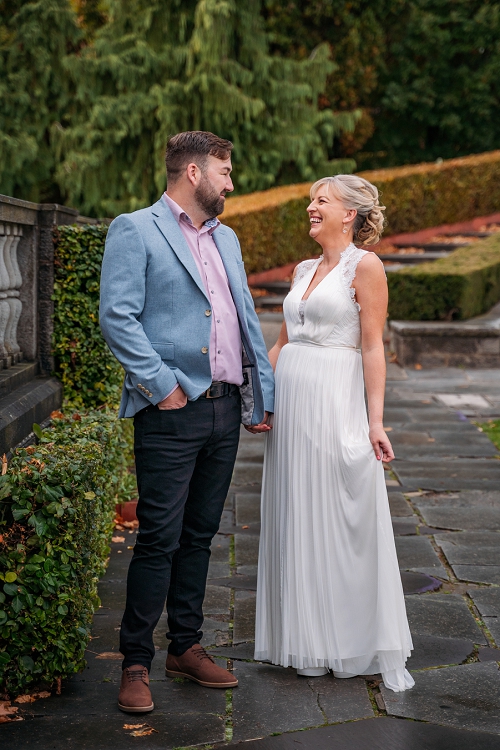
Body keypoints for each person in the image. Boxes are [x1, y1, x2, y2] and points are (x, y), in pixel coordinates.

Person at [100, 131, 274, 713]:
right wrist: (163, 385)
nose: (231, 181)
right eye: (224, 171)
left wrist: (258, 397)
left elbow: (244, 317)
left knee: (201, 536)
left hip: (226, 408)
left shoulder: (227, 238)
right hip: (171, 412)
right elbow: (117, 317)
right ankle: (134, 663)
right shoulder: (136, 228)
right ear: (194, 173)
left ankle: (186, 647)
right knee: (158, 540)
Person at [254, 174, 414, 692]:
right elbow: (281, 343)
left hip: (333, 403)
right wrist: (259, 393)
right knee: (297, 515)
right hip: (293, 410)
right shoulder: (303, 269)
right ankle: (302, 638)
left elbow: (372, 348)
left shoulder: (365, 266)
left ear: (350, 214)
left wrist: (374, 421)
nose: (311, 208)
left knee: (338, 516)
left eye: (321, 201)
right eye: (310, 201)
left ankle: (344, 639)